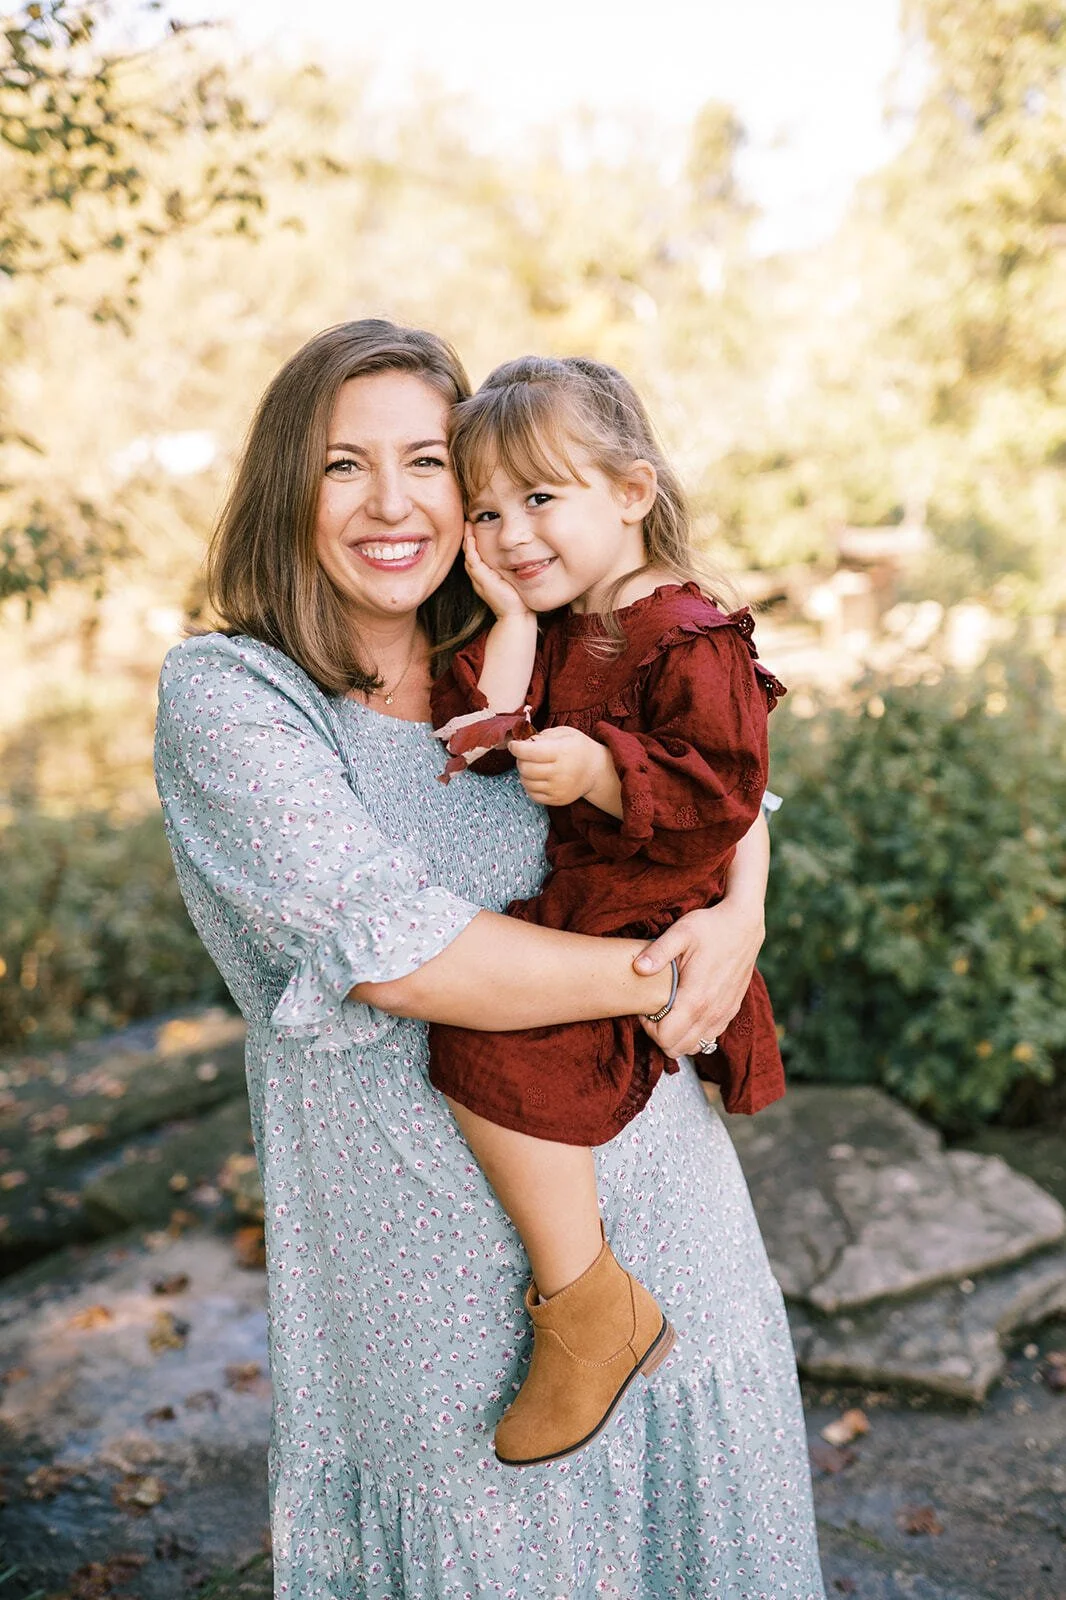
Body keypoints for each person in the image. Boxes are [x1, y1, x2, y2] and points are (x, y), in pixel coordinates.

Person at [154, 318, 825, 1598]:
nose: (392, 502)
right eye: (345, 465)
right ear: (285, 486)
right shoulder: (235, 696)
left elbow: (725, 781)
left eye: (426, 461)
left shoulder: (544, 638)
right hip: (414, 1275)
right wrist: (675, 973)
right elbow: (408, 959)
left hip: (661, 1202)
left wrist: (739, 912)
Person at [427, 354, 787, 1470]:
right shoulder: (564, 620)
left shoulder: (684, 630)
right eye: (483, 510)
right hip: (587, 908)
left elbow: (727, 788)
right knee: (478, 1044)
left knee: (496, 1056)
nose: (509, 530)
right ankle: (588, 1295)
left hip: (643, 915)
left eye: (540, 497)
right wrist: (508, 618)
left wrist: (599, 771)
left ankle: (586, 1301)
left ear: (630, 491)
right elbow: (491, 726)